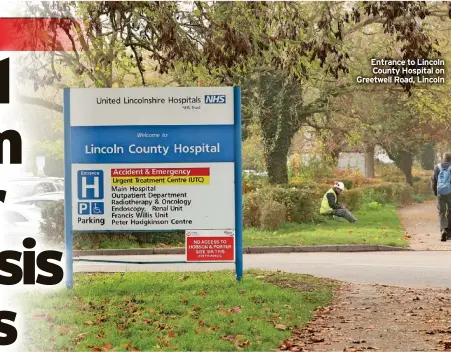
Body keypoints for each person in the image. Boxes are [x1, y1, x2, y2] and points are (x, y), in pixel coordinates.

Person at [431, 152, 451, 242]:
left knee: (442, 212)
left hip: (440, 193)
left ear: (444, 158)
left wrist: (435, 192)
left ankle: (443, 230)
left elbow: (434, 181)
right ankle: (449, 233)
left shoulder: (437, 167)